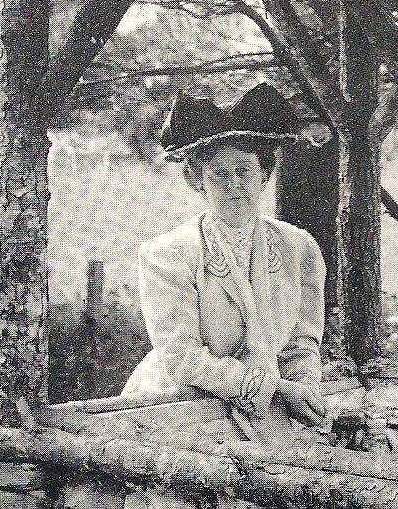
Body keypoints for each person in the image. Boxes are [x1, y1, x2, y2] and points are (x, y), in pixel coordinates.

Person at [122, 82, 328, 440]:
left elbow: (301, 341)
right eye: (219, 173)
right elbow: (183, 360)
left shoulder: (299, 248)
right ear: (195, 180)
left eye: (244, 171)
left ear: (265, 174)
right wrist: (279, 390)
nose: (234, 185)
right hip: (179, 409)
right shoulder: (168, 256)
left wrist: (305, 387)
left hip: (266, 410)